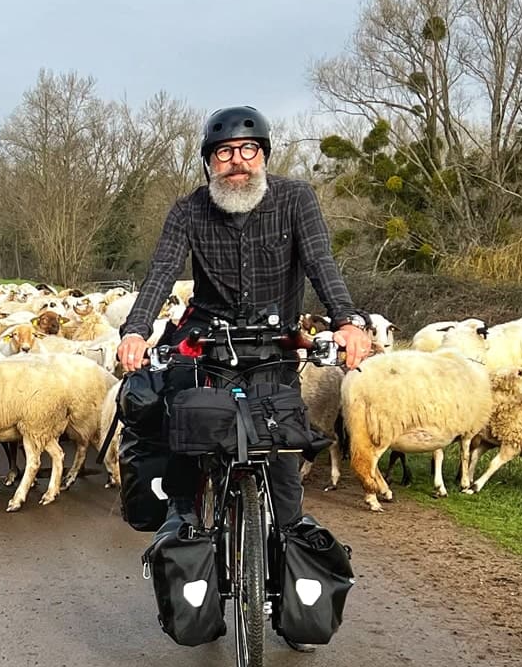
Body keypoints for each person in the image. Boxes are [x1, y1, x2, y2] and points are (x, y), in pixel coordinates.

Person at [116, 105, 372, 532]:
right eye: (224, 152)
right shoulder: (188, 211)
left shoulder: (296, 198)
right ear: (208, 163)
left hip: (275, 343)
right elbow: (161, 271)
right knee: (185, 425)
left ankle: (286, 547)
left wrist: (346, 320)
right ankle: (184, 519)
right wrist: (136, 331)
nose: (237, 160)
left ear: (264, 156)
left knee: (282, 457)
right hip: (208, 338)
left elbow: (320, 262)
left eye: (248, 149)